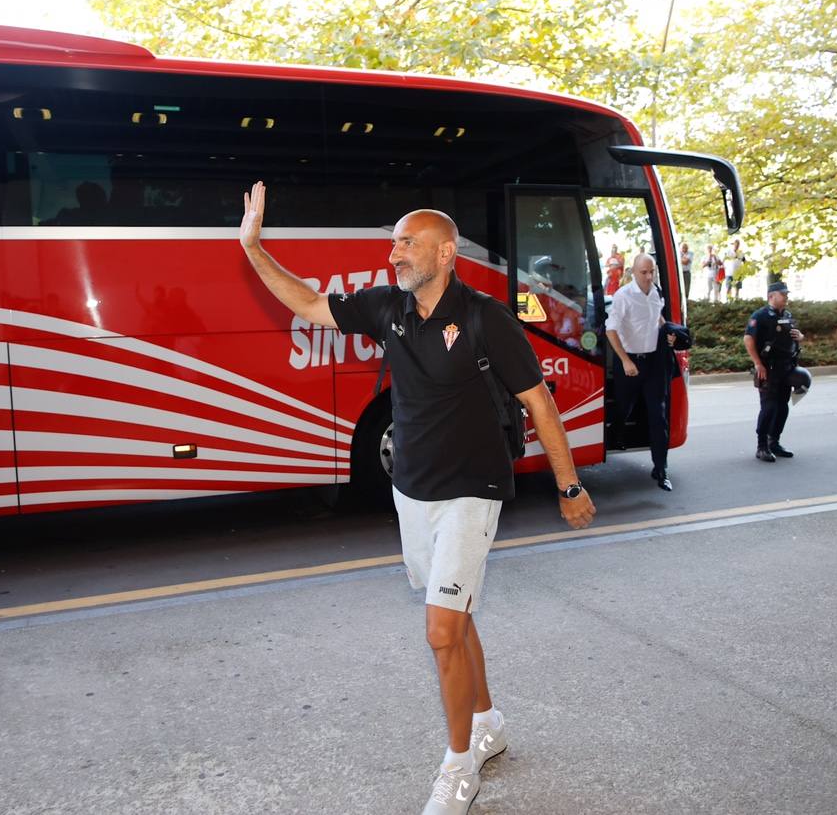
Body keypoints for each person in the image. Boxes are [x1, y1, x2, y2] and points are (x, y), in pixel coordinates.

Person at [236, 181, 595, 815]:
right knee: (455, 617)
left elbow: (539, 404)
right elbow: (308, 303)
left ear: (447, 251)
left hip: (473, 489)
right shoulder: (387, 309)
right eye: (394, 243)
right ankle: (488, 722)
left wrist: (569, 485)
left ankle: (460, 767)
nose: (395, 253)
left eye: (407, 242)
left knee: (439, 630)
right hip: (413, 491)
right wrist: (252, 247)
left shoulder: (487, 317)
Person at [605, 254, 676, 490]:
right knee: (624, 406)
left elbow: (657, 317)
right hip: (629, 361)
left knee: (659, 415)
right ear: (633, 273)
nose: (648, 276)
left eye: (651, 272)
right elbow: (611, 330)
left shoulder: (656, 292)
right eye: (644, 272)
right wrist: (625, 360)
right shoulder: (623, 296)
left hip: (654, 362)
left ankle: (661, 469)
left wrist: (667, 331)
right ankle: (616, 433)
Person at [744, 281, 805, 462]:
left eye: (786, 294)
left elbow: (794, 336)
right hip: (768, 369)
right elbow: (748, 339)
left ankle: (774, 442)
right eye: (783, 294)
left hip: (786, 367)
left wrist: (800, 337)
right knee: (769, 407)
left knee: (782, 406)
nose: (786, 297)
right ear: (772, 296)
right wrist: (758, 364)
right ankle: (761, 446)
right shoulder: (760, 316)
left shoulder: (787, 314)